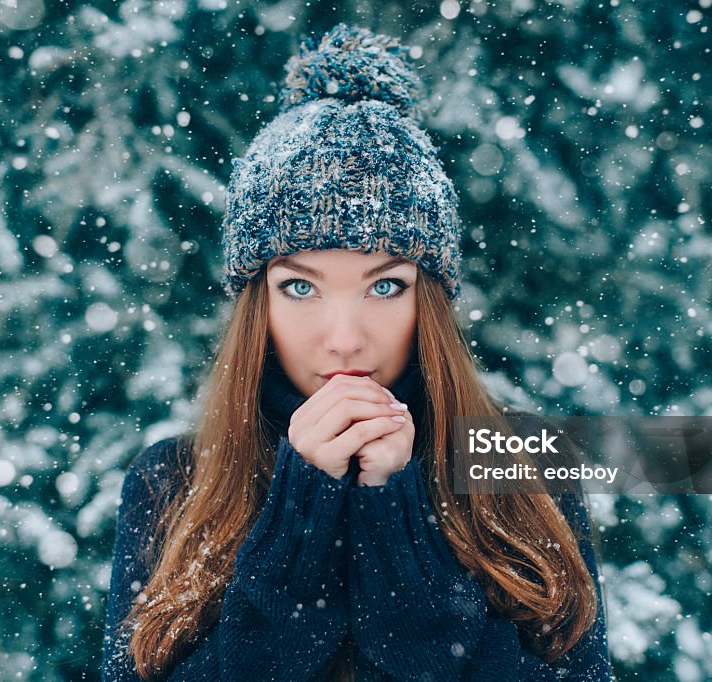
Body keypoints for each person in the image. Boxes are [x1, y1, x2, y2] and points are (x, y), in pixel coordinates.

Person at [101, 23, 611, 682]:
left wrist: (399, 525)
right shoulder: (173, 481)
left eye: (386, 284)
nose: (344, 338)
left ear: (429, 300)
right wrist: (299, 520)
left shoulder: (520, 463)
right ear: (259, 305)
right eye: (300, 286)